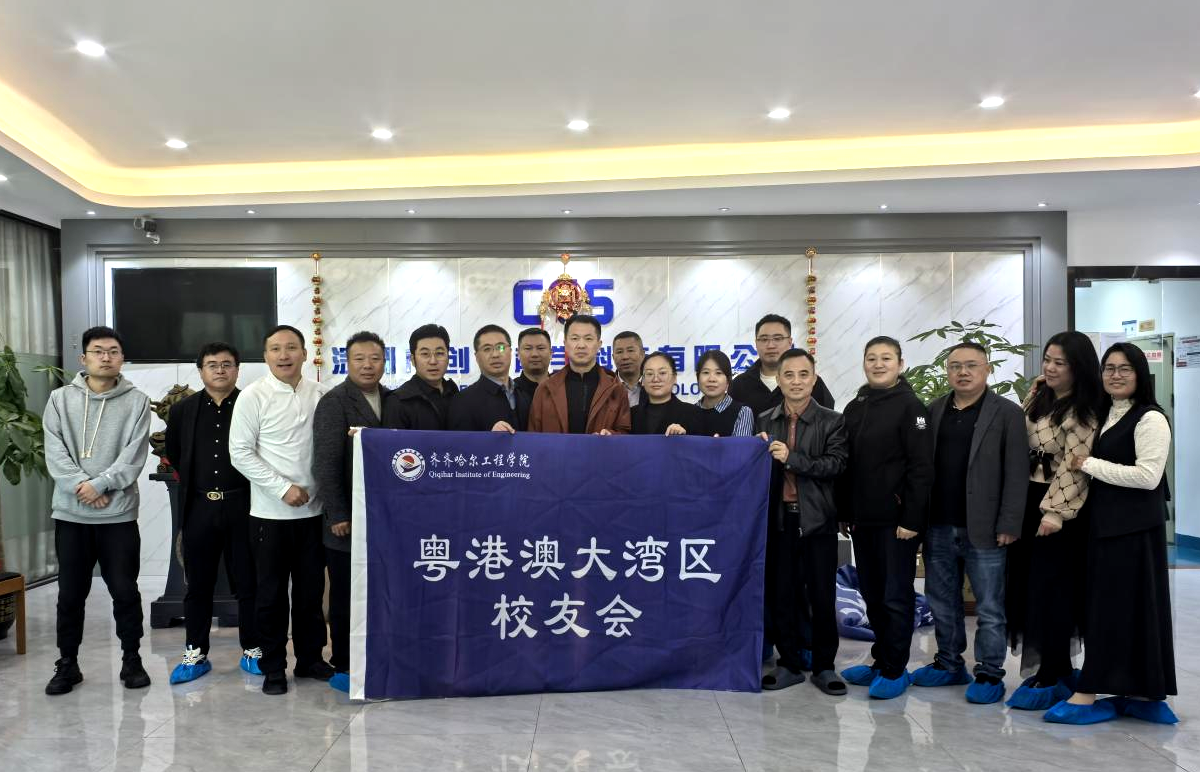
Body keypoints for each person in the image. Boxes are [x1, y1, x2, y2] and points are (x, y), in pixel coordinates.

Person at [1046, 343, 1177, 725]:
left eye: (1124, 369)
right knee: (1118, 612)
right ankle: (1140, 692)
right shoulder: (1105, 411)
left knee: (1119, 612)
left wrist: (1089, 464)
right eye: (1109, 368)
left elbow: (1147, 477)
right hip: (1106, 528)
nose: (1115, 375)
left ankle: (1088, 693)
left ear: (1139, 374)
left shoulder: (1151, 418)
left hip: (1134, 533)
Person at [909, 341, 1028, 704]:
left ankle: (990, 673)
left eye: (971, 365)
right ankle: (948, 664)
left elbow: (1017, 472)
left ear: (987, 369)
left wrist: (1009, 522)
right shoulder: (933, 410)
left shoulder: (1007, 413)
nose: (963, 372)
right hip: (938, 525)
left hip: (986, 527)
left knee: (990, 606)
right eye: (955, 366)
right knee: (942, 602)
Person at [43, 326, 152, 695]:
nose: (106, 357)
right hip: (71, 515)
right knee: (70, 593)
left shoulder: (137, 401)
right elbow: (55, 451)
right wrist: (82, 486)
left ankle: (132, 659)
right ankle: (67, 663)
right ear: (84, 358)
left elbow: (134, 455)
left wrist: (101, 485)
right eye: (98, 351)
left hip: (118, 515)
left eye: (113, 351)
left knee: (124, 590)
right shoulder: (59, 399)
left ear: (122, 358)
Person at [229, 325, 332, 695]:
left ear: (305, 353)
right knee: (270, 597)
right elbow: (240, 452)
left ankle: (310, 659)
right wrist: (282, 488)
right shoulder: (253, 396)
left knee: (310, 595)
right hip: (269, 517)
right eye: (275, 349)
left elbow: (329, 450)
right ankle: (273, 666)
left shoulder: (321, 395)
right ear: (266, 356)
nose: (284, 355)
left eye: (291, 347)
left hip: (313, 515)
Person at [1005, 330, 1101, 711]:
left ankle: (1055, 669)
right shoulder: (1039, 396)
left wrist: (1055, 513)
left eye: (1060, 362)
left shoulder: (1083, 411)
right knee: (1029, 588)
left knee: (1054, 592)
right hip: (1027, 500)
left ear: (1079, 368)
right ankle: (1051, 666)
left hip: (1059, 512)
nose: (1051, 367)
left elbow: (1073, 469)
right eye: (1048, 359)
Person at [837, 335, 934, 699]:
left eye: (886, 358)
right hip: (863, 519)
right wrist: (845, 511)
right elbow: (847, 464)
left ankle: (895, 669)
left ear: (900, 364)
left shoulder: (912, 407)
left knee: (896, 595)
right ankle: (880, 661)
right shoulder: (856, 406)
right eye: (872, 358)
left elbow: (922, 468)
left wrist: (912, 519)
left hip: (897, 523)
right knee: (873, 593)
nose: (878, 364)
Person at [165, 342, 261, 684]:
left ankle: (253, 649)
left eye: (227, 364)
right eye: (212, 364)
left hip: (244, 506)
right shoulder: (183, 410)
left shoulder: (252, 404)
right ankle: (195, 653)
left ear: (237, 369)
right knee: (198, 585)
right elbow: (175, 453)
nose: (220, 370)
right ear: (201, 370)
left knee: (249, 582)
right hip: (200, 507)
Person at [756, 349, 848, 696]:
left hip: (817, 520)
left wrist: (791, 458)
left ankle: (824, 666)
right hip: (779, 520)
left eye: (803, 374)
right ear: (778, 380)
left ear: (814, 378)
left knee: (821, 596)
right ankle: (789, 664)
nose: (796, 381)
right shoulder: (765, 420)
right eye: (789, 375)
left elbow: (835, 465)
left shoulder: (833, 421)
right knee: (782, 595)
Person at [312, 331, 391, 693]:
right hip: (346, 522)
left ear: (384, 361)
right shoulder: (334, 402)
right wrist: (338, 513)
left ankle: (375, 656)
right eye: (359, 358)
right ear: (347, 361)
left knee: (377, 593)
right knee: (345, 595)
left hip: (384, 519)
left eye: (375, 358)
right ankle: (343, 661)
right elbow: (325, 463)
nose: (367, 365)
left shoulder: (392, 399)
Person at [528, 314, 631, 434]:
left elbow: (625, 433)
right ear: (565, 344)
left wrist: (610, 436)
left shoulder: (616, 389)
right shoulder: (545, 389)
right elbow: (533, 437)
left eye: (588, 339)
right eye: (575, 338)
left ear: (599, 345)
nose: (581, 345)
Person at [730, 314, 834, 417]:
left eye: (777, 338)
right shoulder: (739, 385)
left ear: (790, 342)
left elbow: (827, 419)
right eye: (764, 339)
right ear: (756, 343)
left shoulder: (811, 383)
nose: (771, 345)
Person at [449, 325, 531, 432]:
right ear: (476, 357)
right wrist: (488, 438)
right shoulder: (463, 401)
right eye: (487, 349)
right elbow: (459, 441)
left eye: (501, 347)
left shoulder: (525, 395)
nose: (495, 354)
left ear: (511, 352)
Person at [384, 324, 458, 430]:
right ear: (413, 360)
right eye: (425, 354)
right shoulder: (398, 402)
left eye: (439, 353)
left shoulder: (454, 393)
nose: (433, 361)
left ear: (448, 357)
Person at [629, 352, 702, 435]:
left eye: (662, 373)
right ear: (642, 381)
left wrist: (684, 438)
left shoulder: (692, 413)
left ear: (674, 378)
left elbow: (700, 442)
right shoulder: (631, 415)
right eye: (649, 374)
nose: (656, 379)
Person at [694, 350, 754, 437]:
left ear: (728, 380)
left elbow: (741, 445)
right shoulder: (690, 412)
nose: (711, 379)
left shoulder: (742, 412)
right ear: (698, 377)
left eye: (718, 373)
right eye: (706, 372)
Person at [514, 327, 552, 402]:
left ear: (551, 353)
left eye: (540, 348)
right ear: (518, 354)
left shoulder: (562, 388)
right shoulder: (509, 392)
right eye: (528, 348)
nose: (534, 354)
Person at [612, 331, 646, 407]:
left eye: (630, 350)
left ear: (642, 354)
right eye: (619, 352)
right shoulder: (605, 387)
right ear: (613, 357)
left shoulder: (654, 384)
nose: (625, 357)